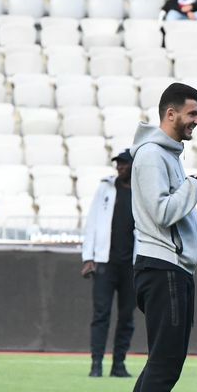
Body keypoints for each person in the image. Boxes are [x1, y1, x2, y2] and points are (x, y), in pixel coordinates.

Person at [111, 83, 197, 392]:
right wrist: (196, 183)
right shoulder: (154, 156)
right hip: (163, 267)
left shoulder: (162, 155)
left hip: (169, 267)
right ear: (170, 114)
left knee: (161, 359)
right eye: (192, 113)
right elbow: (161, 211)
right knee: (166, 361)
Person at [81, 149, 136, 379]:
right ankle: (96, 363)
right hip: (105, 262)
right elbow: (92, 221)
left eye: (124, 164)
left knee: (127, 317)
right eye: (118, 164)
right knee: (101, 314)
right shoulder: (105, 187)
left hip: (132, 265)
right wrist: (88, 257)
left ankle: (119, 364)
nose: (120, 168)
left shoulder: (142, 192)